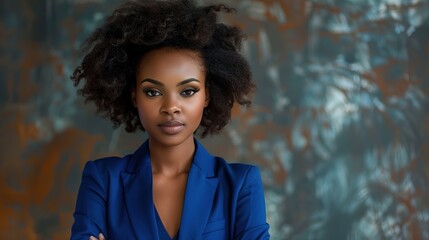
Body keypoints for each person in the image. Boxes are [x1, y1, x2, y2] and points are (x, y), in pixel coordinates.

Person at [70, 0, 270, 239]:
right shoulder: (103, 180)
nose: (171, 107)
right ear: (134, 96)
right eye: (153, 92)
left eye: (188, 91)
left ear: (207, 94)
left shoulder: (240, 184)